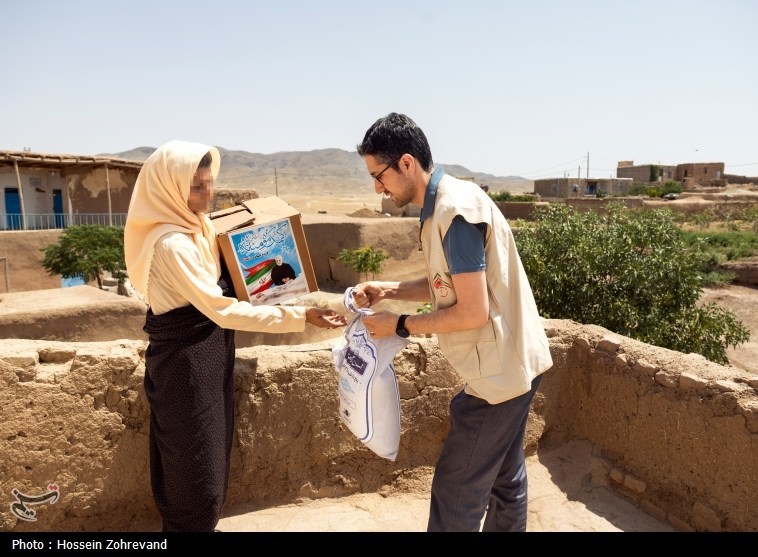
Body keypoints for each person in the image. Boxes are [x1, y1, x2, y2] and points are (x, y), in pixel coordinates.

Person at [124, 140, 346, 532]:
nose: (207, 195)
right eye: (196, 187)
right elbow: (221, 308)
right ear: (169, 189)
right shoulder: (173, 244)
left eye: (209, 184)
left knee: (208, 462)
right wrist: (301, 316)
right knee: (194, 475)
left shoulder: (200, 229)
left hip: (209, 357)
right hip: (185, 368)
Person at [353, 113, 553, 532]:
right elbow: (448, 283)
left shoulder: (455, 211)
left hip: (497, 379)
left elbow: (471, 312)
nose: (378, 188)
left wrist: (400, 324)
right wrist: (388, 289)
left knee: (455, 492)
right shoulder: (442, 205)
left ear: (406, 163)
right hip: (513, 365)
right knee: (506, 479)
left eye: (380, 176)